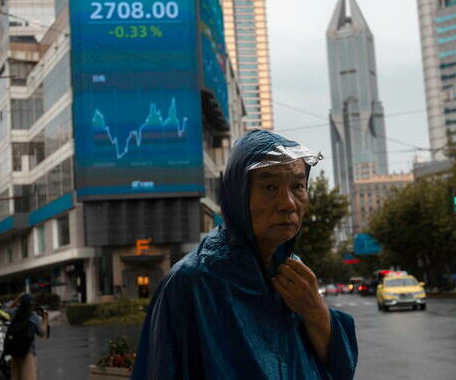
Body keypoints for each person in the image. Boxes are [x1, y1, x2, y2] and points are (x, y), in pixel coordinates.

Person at [132, 130, 358, 379]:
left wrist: (316, 312)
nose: (288, 203)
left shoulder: (293, 271)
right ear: (238, 194)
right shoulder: (194, 281)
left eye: (297, 187)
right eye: (270, 187)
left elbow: (338, 368)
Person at [9, 294, 48, 380]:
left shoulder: (14, 314)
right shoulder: (34, 317)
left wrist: (18, 298)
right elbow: (42, 333)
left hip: (14, 353)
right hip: (28, 353)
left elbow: (9, 308)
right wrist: (45, 320)